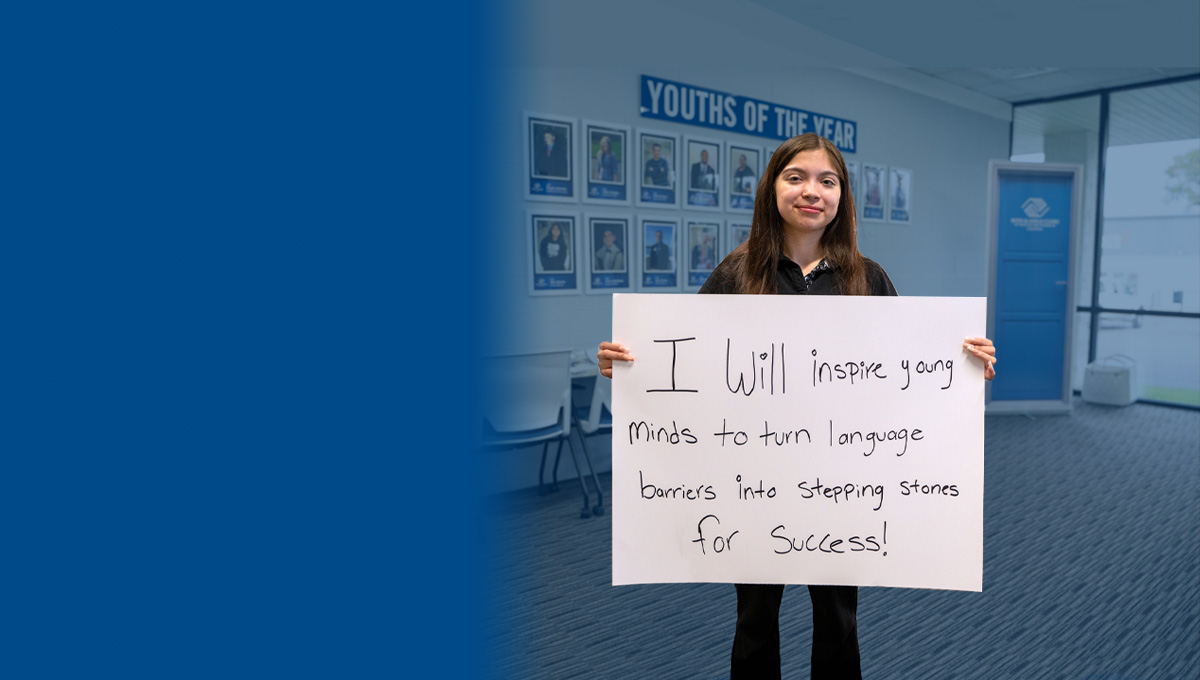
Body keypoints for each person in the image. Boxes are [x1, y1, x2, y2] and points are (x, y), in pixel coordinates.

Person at [597, 133, 997, 680]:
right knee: (755, 617)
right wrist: (629, 364)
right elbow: (688, 362)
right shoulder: (736, 276)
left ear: (842, 197)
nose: (812, 191)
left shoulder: (867, 278)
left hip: (845, 481)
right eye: (796, 177)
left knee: (839, 619)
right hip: (753, 480)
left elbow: (907, 372)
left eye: (827, 181)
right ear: (772, 189)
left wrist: (964, 365)